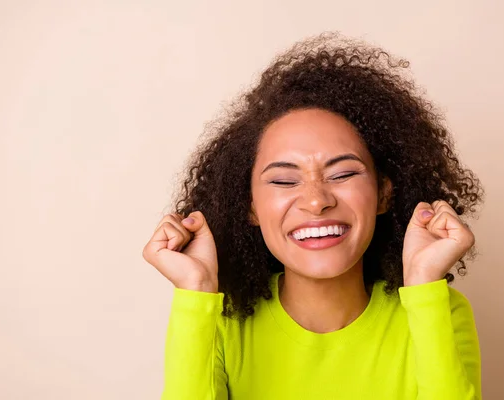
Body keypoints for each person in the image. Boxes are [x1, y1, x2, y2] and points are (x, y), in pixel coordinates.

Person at [142, 32, 485, 400]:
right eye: (285, 180)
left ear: (384, 192)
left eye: (342, 174)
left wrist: (423, 285)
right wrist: (195, 293)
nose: (316, 201)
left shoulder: (438, 310)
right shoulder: (221, 322)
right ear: (250, 207)